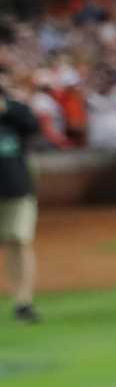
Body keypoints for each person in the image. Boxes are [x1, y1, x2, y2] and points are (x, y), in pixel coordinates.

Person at [0, 65, 41, 323]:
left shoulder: (14, 110)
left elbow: (32, 124)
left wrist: (7, 108)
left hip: (16, 186)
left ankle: (23, 302)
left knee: (20, 241)